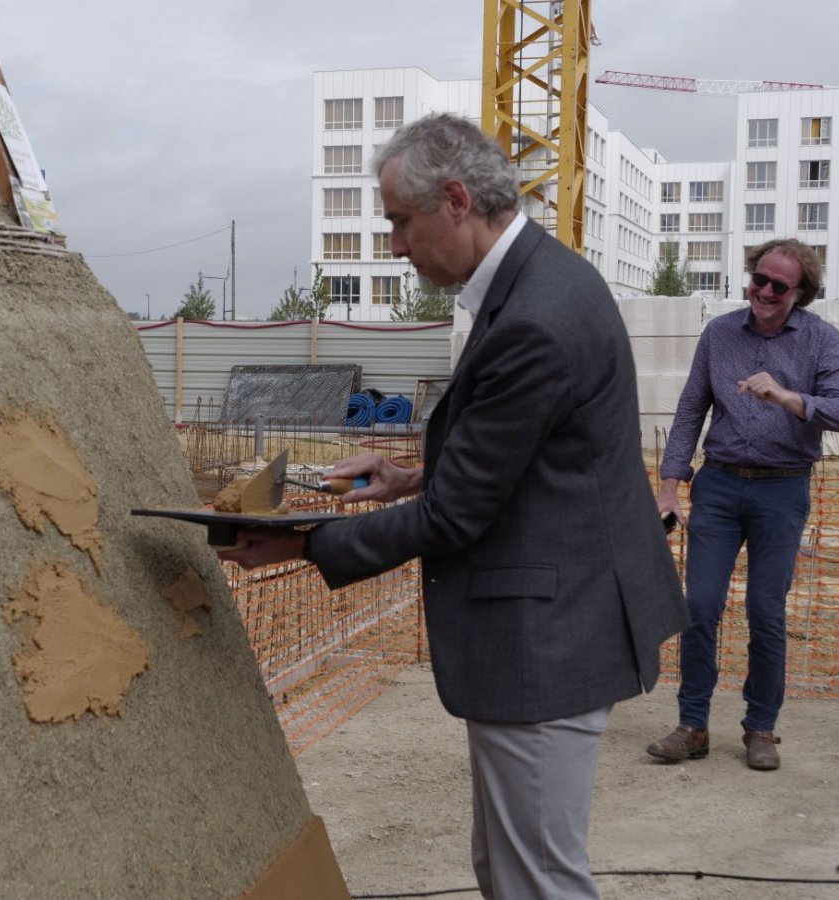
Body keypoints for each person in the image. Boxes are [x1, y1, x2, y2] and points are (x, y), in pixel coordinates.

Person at [220, 112, 688, 899]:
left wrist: (302, 542)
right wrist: (411, 474)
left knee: (536, 880)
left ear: (458, 200)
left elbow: (458, 517)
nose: (396, 246)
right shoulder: (539, 281)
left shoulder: (534, 317)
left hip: (547, 636)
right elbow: (529, 456)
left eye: (401, 222)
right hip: (561, 615)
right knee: (509, 868)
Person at [648, 239, 839, 771]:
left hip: (782, 490)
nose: (763, 290)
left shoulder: (824, 341)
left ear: (801, 293)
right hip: (719, 486)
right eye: (758, 278)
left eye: (778, 285)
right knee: (699, 607)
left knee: (765, 612)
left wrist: (788, 397)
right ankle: (692, 725)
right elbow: (691, 408)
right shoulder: (719, 333)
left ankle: (760, 728)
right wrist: (670, 483)